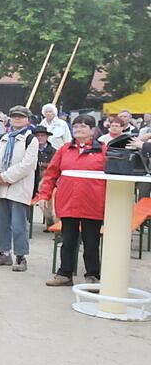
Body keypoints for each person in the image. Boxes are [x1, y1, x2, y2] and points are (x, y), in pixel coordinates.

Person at [36, 114, 106, 286]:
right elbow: (51, 174)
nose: (78, 129)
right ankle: (64, 274)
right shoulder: (65, 149)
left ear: (92, 130)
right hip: (68, 203)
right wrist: (44, 195)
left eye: (83, 126)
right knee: (67, 241)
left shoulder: (104, 150)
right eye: (75, 126)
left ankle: (93, 276)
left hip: (93, 204)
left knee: (91, 242)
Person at [0, 106, 38, 272]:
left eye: (20, 117)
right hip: (0, 187)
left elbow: (27, 165)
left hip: (18, 187)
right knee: (1, 222)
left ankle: (21, 256)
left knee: (18, 224)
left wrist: (7, 177)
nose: (17, 119)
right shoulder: (3, 137)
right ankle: (4, 252)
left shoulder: (30, 140)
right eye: (14, 116)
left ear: (27, 119)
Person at [32, 126, 57, 229]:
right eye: (37, 136)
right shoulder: (30, 150)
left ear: (47, 137)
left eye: (42, 135)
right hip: (32, 182)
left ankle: (51, 223)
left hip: (48, 183)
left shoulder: (54, 152)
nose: (40, 138)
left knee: (50, 204)